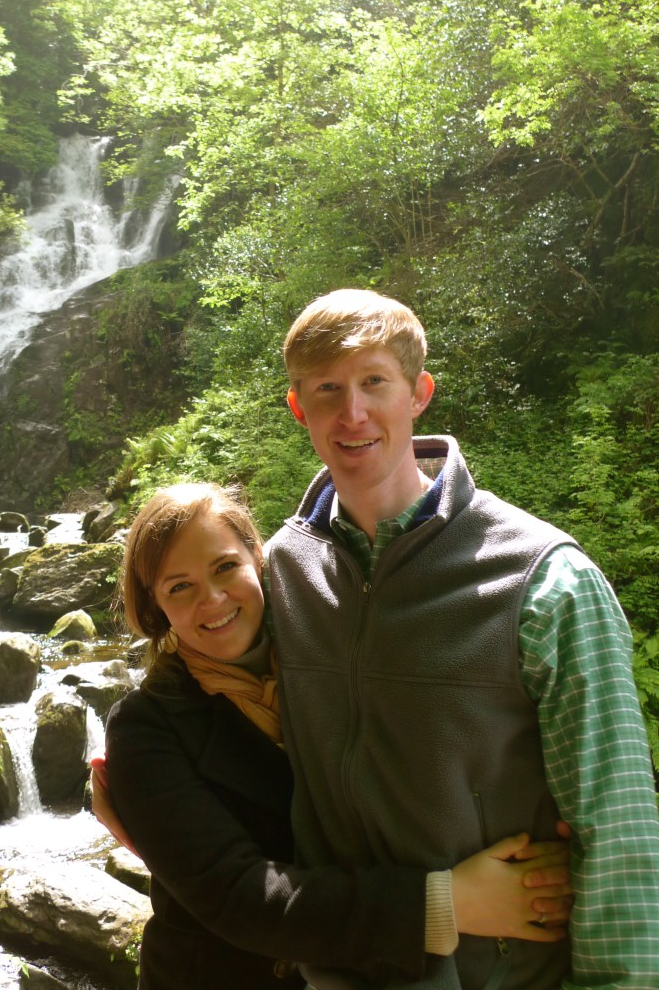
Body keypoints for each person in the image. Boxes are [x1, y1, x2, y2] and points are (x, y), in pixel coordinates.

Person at [267, 287, 659, 990]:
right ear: (299, 407)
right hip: (338, 971)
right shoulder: (280, 571)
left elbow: (618, 829)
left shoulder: (545, 580)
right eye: (327, 389)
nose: (352, 413)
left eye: (374, 382)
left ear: (419, 393)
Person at [102, 482, 574, 990]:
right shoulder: (145, 729)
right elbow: (238, 896)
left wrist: (539, 814)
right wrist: (448, 904)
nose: (212, 599)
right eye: (179, 587)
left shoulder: (326, 656)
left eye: (225, 567)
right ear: (154, 607)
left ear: (258, 558)